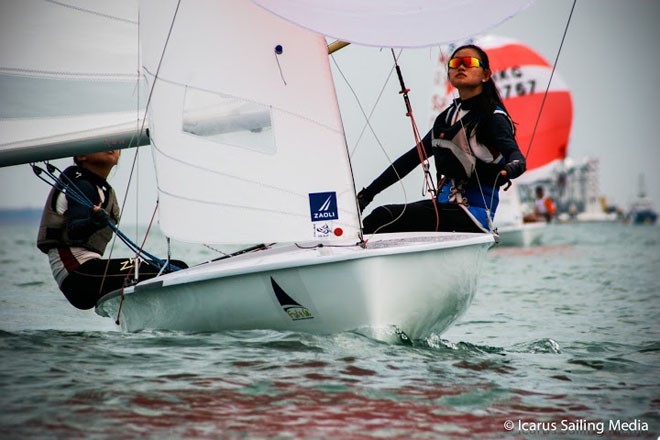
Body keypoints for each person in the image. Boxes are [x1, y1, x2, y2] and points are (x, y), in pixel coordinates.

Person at [357, 44, 526, 234]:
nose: (461, 67)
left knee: (383, 216)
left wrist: (513, 166)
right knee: (380, 218)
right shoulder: (446, 119)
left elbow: (515, 154)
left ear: (486, 75)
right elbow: (410, 160)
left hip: (472, 216)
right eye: (455, 63)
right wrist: (367, 195)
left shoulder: (493, 117)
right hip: (445, 208)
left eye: (469, 63)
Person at [37, 150, 187, 310]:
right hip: (78, 273)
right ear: (82, 156)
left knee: (172, 267)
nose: (112, 148)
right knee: (174, 269)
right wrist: (93, 222)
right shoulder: (82, 185)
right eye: (99, 144)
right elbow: (74, 231)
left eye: (117, 146)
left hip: (85, 272)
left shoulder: (98, 187)